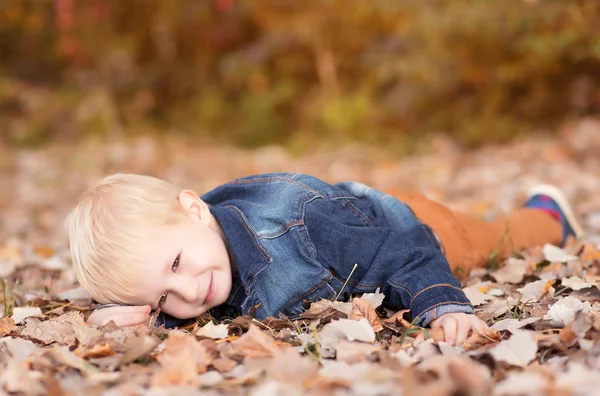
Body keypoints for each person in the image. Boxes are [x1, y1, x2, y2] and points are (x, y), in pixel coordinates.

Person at [66, 173, 583, 346]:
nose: (187, 293)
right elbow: (166, 286)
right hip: (353, 216)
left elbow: (401, 252)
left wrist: (444, 306)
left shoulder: (291, 225)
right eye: (162, 297)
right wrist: (128, 317)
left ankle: (547, 214)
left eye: (177, 266)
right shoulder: (192, 251)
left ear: (194, 209)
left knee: (492, 238)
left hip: (408, 230)